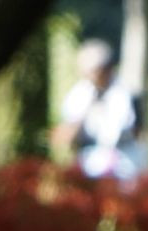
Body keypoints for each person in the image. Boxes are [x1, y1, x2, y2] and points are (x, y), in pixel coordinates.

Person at [57, 38, 140, 182]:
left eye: (95, 71)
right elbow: (68, 130)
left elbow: (136, 131)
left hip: (124, 161)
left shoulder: (126, 93)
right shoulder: (79, 94)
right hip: (88, 159)